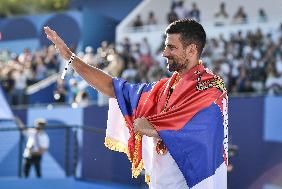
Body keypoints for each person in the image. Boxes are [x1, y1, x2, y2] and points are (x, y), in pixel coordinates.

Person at [44, 19, 228, 189]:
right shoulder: (163, 89)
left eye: (172, 48)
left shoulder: (211, 89)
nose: (164, 53)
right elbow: (113, 87)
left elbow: (197, 130)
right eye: (165, 47)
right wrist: (70, 57)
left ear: (191, 50)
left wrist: (153, 128)